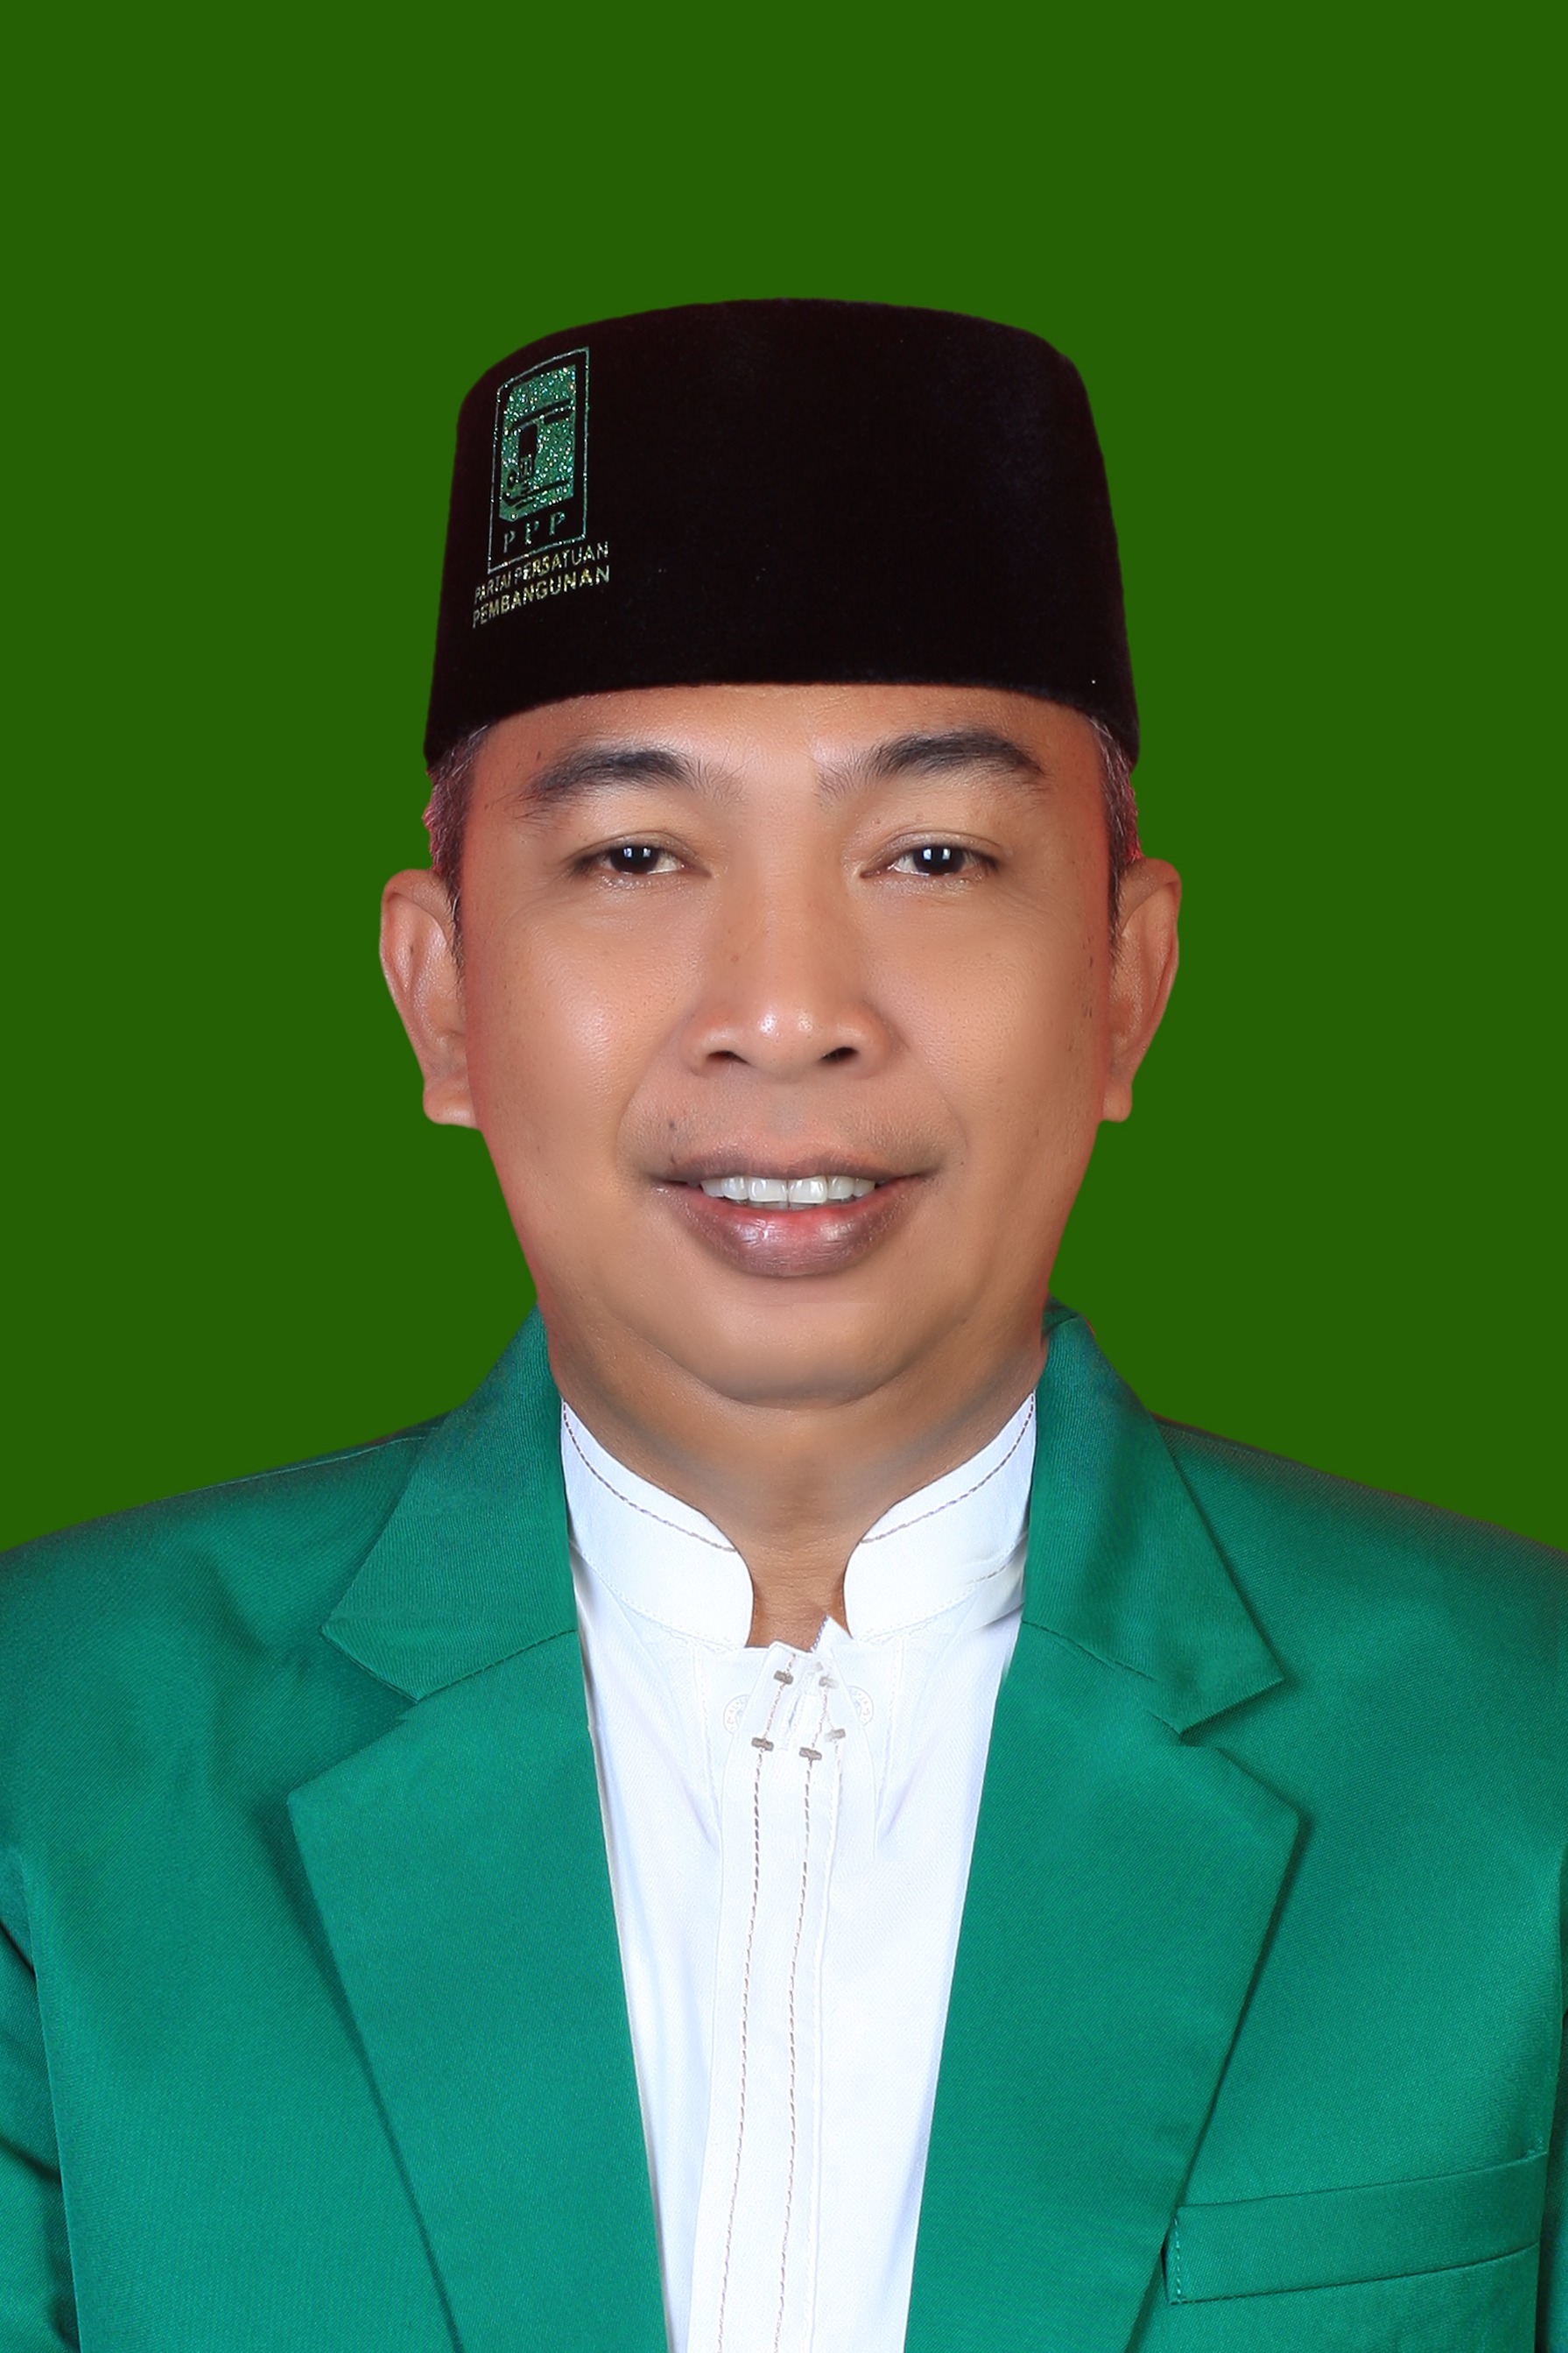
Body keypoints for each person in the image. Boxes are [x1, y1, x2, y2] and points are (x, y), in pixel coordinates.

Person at [1, 299, 1563, 2353]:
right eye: (634, 853)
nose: (785, 1006)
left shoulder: (1518, 1757)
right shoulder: (49, 1757)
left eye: (932, 852)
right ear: (442, 992)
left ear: (1125, 976)